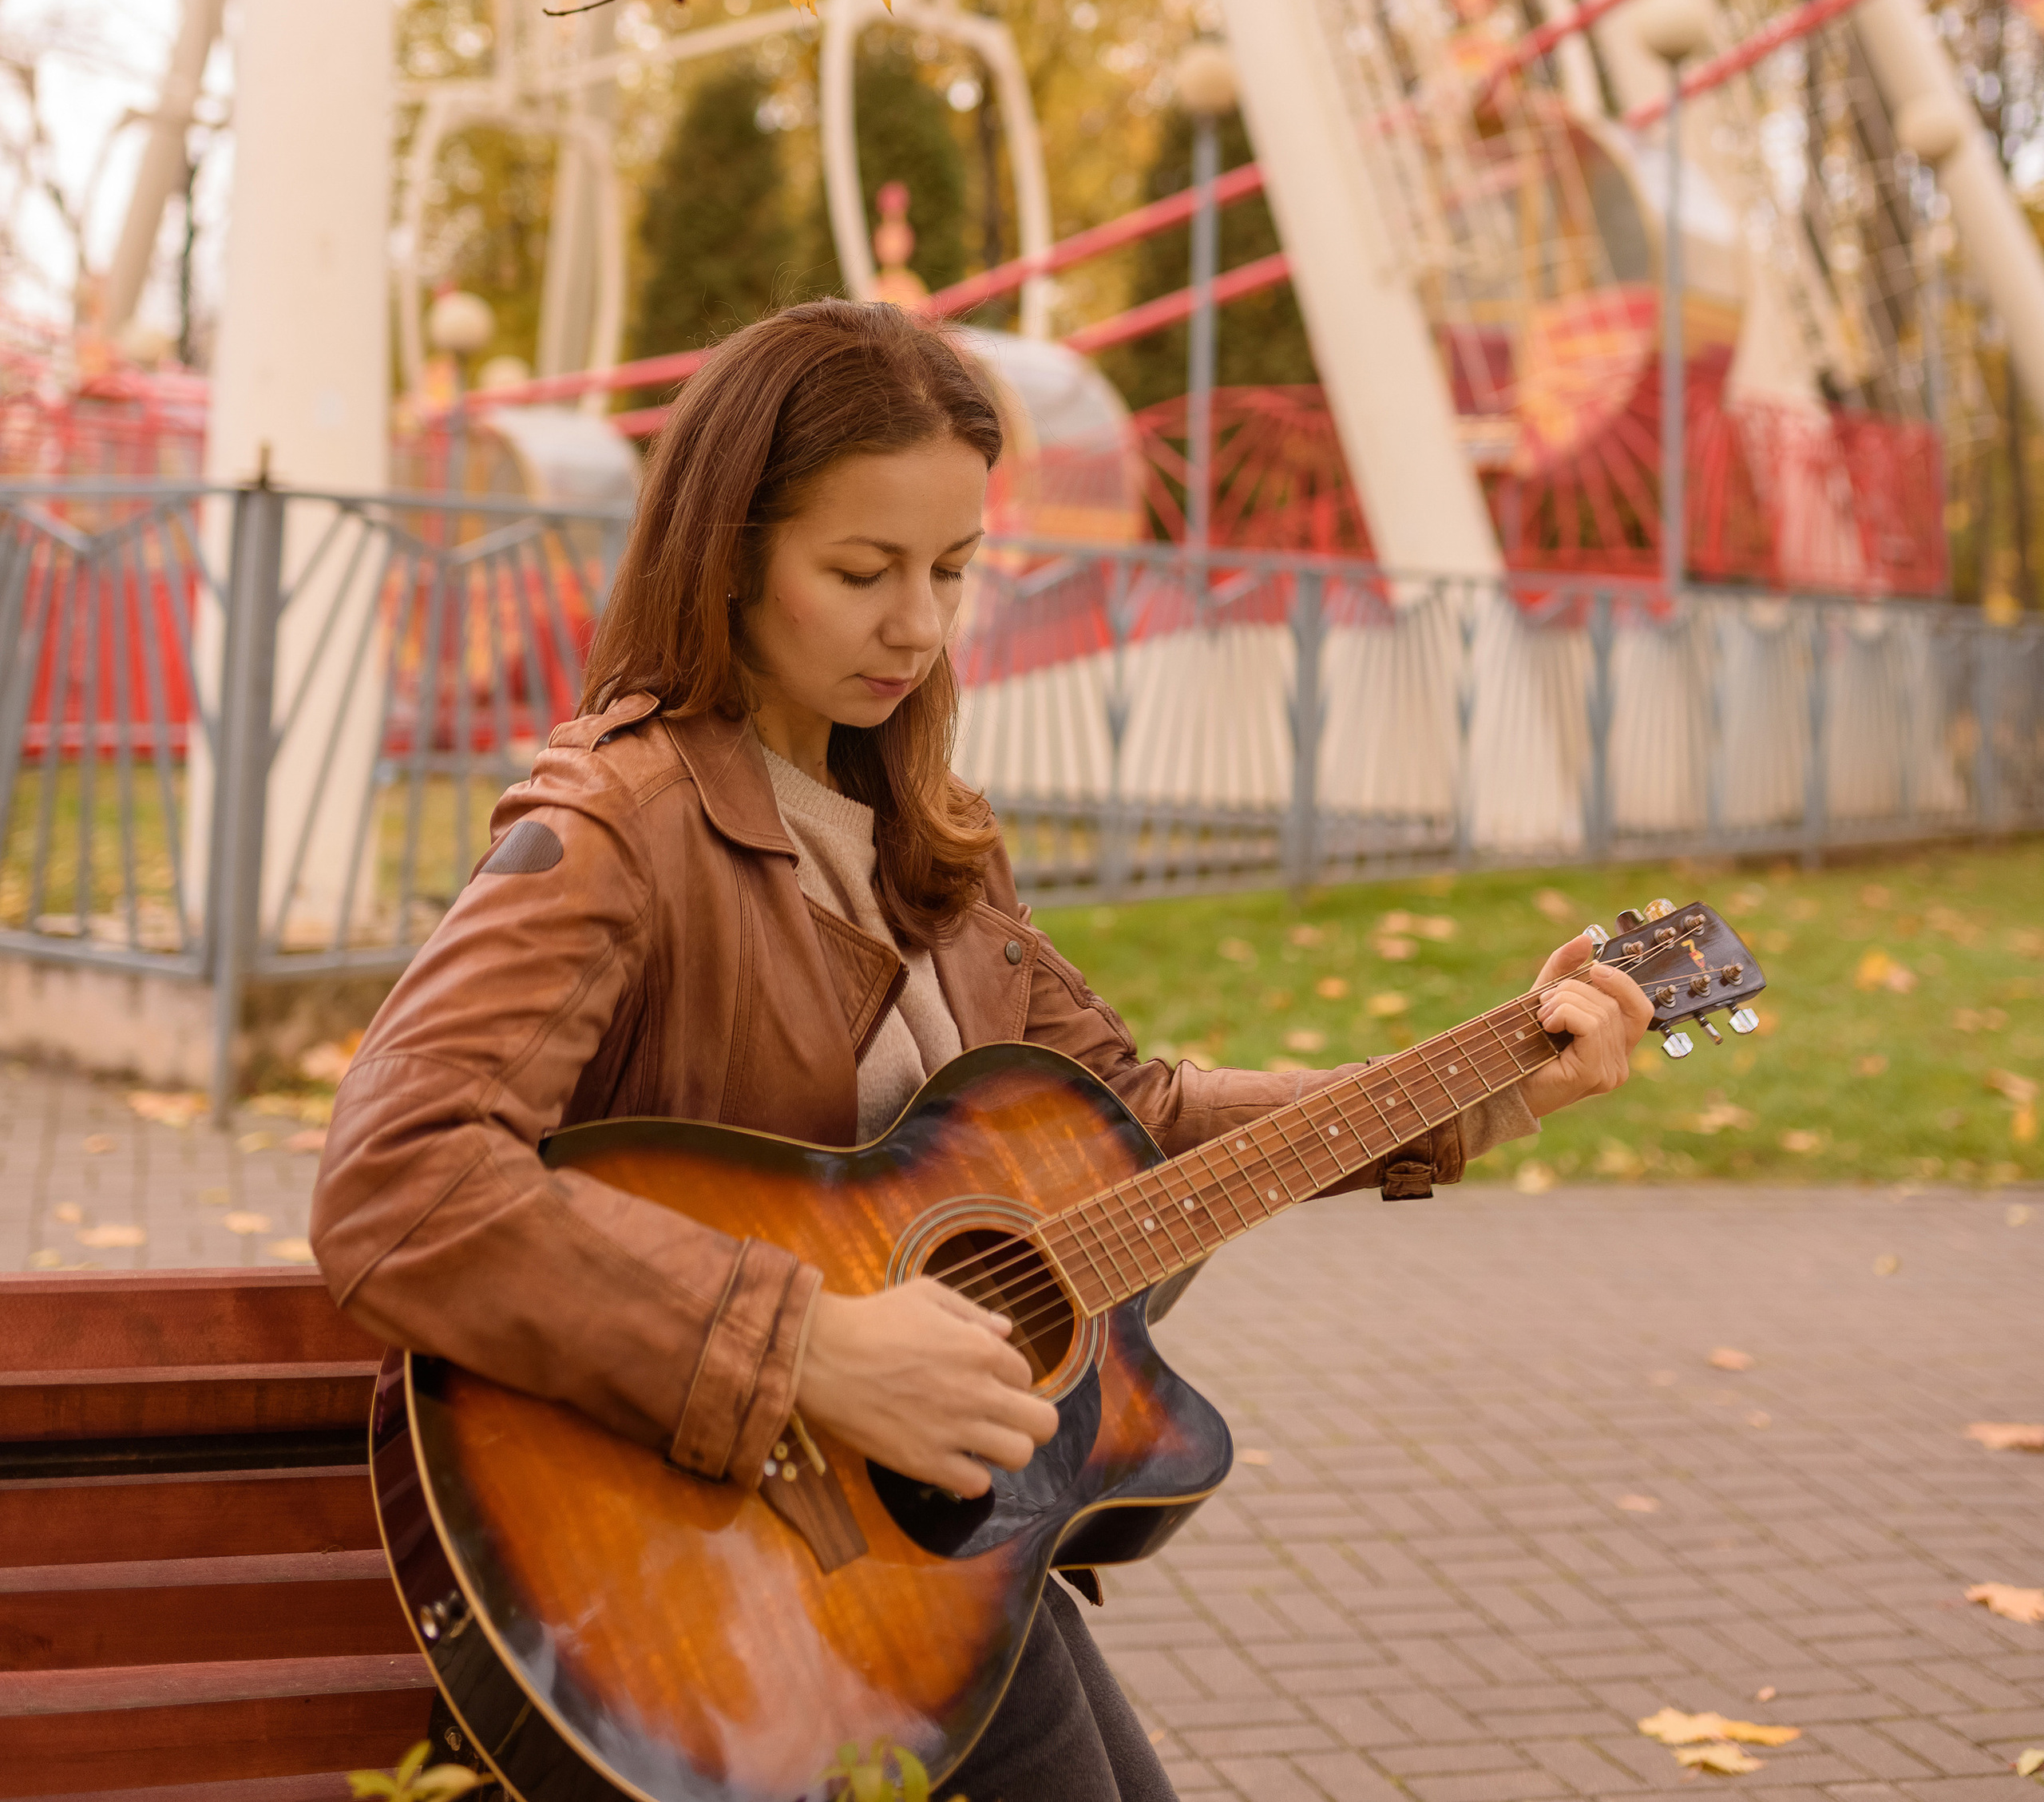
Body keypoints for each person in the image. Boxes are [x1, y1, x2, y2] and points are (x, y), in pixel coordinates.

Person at [311, 301, 1652, 1802]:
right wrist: (813, 1345)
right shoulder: (620, 826)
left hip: (931, 1539)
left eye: (951, 570)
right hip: (719, 1575)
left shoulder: (927, 836)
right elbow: (398, 1176)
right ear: (726, 550)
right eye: (862, 571)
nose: (920, 626)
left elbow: (1131, 1122)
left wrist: (1491, 1085)